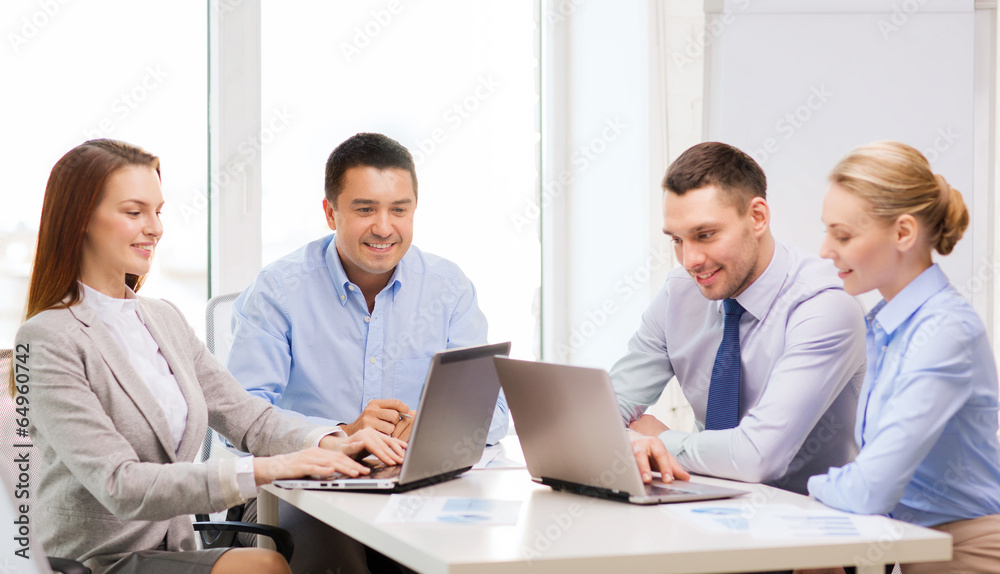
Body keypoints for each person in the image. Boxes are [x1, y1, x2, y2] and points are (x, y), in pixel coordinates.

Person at [13, 139, 405, 574]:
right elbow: (119, 484)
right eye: (134, 212)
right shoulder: (46, 339)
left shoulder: (162, 319)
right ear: (80, 219)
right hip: (97, 561)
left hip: (175, 548)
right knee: (265, 567)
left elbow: (248, 418)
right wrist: (271, 468)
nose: (156, 228)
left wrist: (335, 442)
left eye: (158, 211)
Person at [226, 132, 507, 572]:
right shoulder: (279, 290)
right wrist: (340, 433)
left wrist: (433, 428)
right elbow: (240, 416)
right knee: (340, 556)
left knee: (474, 550)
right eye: (364, 209)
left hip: (413, 487)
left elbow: (495, 411)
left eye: (399, 209)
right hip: (294, 489)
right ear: (330, 212)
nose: (383, 227)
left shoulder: (448, 288)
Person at [613, 141, 867, 495]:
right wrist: (630, 440)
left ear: (757, 217)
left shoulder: (824, 307)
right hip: (709, 506)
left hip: (814, 523)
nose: (690, 260)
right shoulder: (679, 294)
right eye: (677, 240)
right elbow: (607, 407)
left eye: (705, 235)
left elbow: (755, 458)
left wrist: (660, 439)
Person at [802, 141, 1000, 574]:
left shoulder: (944, 332)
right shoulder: (890, 325)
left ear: (904, 233)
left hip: (965, 552)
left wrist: (802, 487)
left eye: (843, 235)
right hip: (914, 545)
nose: (824, 250)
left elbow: (870, 488)